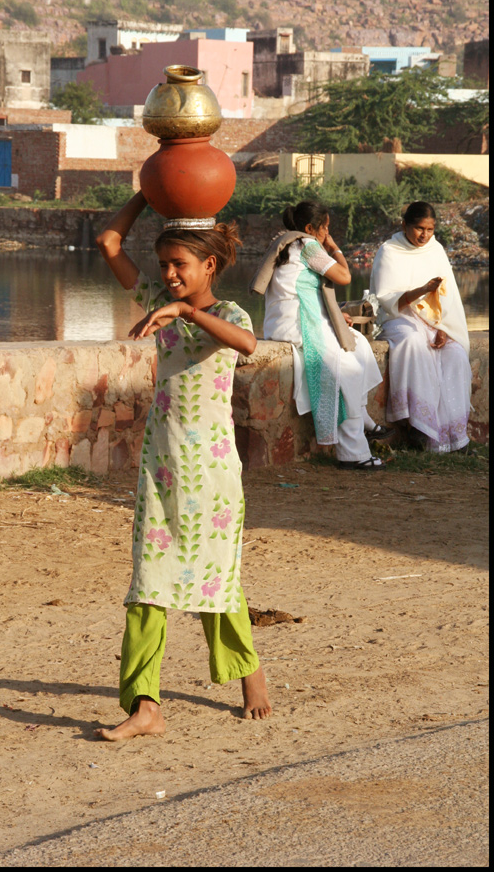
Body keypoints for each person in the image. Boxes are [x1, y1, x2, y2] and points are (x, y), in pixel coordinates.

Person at [95, 192, 271, 740]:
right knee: (149, 581)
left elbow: (247, 343)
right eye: (164, 264)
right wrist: (146, 195)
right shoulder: (152, 296)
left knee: (215, 576)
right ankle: (146, 705)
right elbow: (108, 242)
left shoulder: (226, 314)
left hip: (213, 473)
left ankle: (249, 673)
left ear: (210, 266)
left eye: (181, 265)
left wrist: (186, 310)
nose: (168, 275)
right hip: (161, 466)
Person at [263, 200, 386, 470]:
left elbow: (302, 288)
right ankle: (354, 453)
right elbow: (344, 276)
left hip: (294, 318)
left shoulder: (289, 243)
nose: (327, 233)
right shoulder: (307, 245)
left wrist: (333, 314)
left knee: (359, 344)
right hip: (299, 323)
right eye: (325, 228)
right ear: (310, 228)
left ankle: (362, 415)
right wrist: (334, 248)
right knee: (348, 370)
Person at [370, 201, 472, 453]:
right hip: (398, 318)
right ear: (404, 225)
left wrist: (444, 327)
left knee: (455, 354)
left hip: (434, 320)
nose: (424, 235)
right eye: (418, 228)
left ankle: (456, 435)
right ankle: (420, 427)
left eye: (430, 229)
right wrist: (423, 290)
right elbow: (388, 300)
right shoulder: (389, 250)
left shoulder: (435, 249)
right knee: (414, 343)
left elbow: (448, 299)